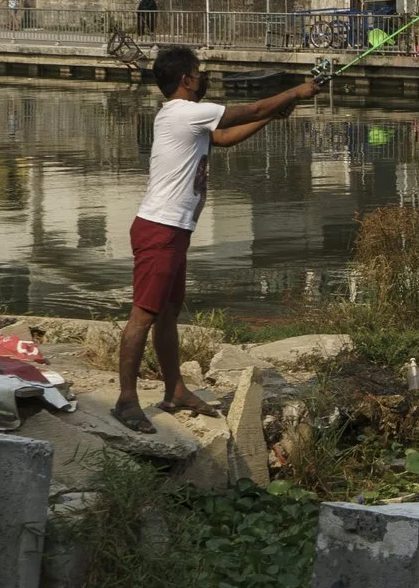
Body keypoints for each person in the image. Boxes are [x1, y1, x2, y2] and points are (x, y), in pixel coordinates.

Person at [113, 46, 317, 433]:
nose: (203, 78)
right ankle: (126, 401)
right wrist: (293, 94)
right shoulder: (184, 112)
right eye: (199, 72)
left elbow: (224, 138)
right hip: (161, 228)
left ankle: (174, 389)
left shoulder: (186, 119)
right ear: (186, 80)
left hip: (174, 228)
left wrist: (274, 115)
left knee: (167, 313)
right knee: (143, 316)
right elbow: (250, 110)